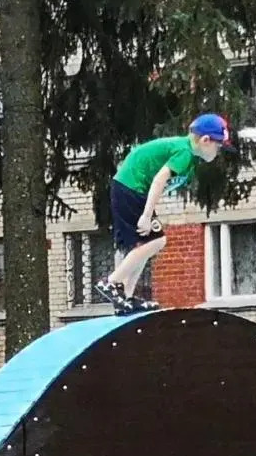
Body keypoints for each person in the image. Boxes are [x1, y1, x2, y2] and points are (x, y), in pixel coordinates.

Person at [96, 113, 229, 314]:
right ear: (205, 140)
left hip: (131, 187)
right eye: (218, 146)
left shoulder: (189, 156)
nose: (218, 152)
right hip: (130, 187)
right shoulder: (185, 153)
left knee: (145, 243)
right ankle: (111, 282)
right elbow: (159, 180)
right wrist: (146, 215)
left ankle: (126, 298)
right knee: (157, 241)